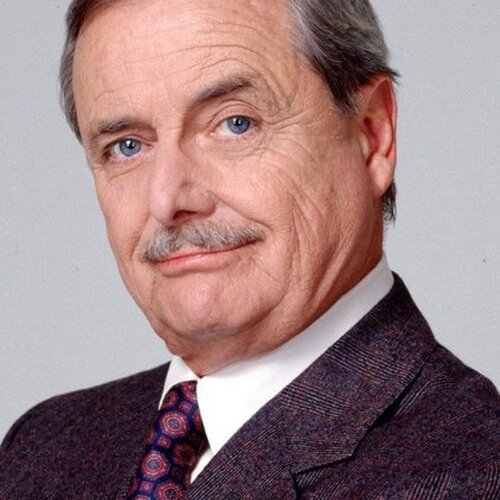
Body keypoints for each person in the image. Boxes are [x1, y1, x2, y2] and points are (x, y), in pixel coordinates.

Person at [1, 0, 498, 498]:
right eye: (127, 146)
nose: (167, 200)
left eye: (235, 123)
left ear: (372, 134)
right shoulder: (40, 452)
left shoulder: (470, 475)